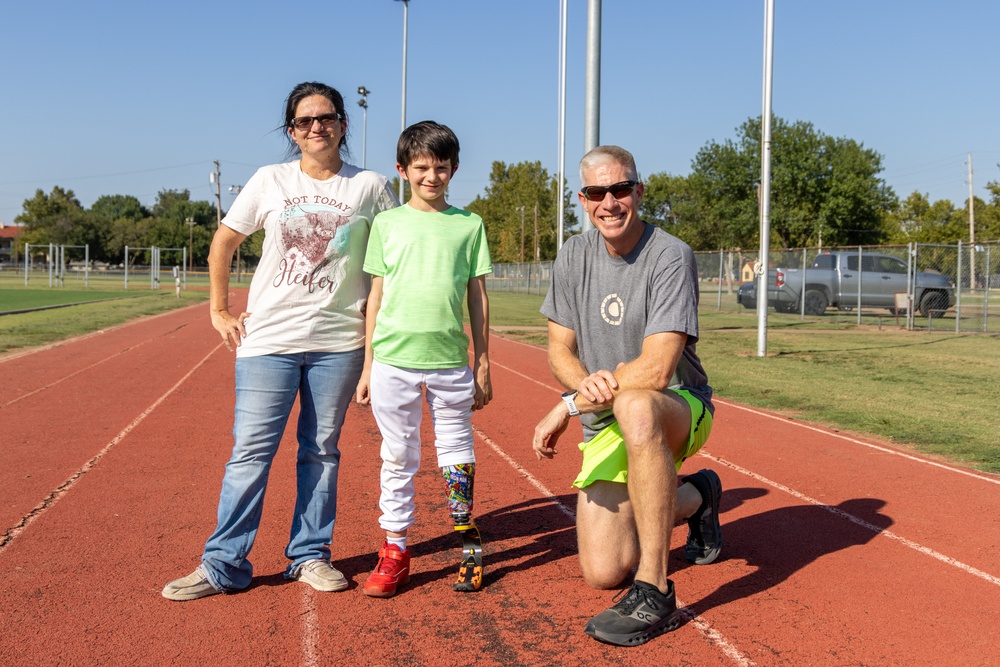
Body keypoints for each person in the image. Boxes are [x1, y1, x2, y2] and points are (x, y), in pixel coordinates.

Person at [162, 82, 398, 601]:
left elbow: (392, 262)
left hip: (339, 342)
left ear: (343, 123)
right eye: (305, 121)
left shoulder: (371, 186)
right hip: (268, 340)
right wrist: (218, 310)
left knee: (322, 452)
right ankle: (223, 564)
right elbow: (223, 242)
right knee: (251, 452)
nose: (318, 127)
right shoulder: (270, 180)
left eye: (327, 117)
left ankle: (310, 555)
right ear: (292, 132)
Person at [531, 145, 722, 646]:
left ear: (638, 190)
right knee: (602, 572)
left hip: (677, 406)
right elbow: (559, 349)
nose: (609, 202)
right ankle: (698, 495)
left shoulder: (669, 255)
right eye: (597, 192)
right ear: (583, 198)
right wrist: (579, 383)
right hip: (607, 416)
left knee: (635, 405)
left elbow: (657, 370)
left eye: (620, 189)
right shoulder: (574, 253)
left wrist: (570, 404)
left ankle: (656, 589)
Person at [355, 120, 492, 597]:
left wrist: (484, 360)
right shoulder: (387, 224)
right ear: (402, 170)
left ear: (454, 169)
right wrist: (369, 364)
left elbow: (477, 295)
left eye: (441, 168)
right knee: (398, 456)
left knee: (456, 451)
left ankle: (465, 535)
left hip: (450, 359)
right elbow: (376, 294)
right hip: (393, 359)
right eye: (421, 168)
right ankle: (395, 549)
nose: (431, 177)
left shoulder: (469, 225)